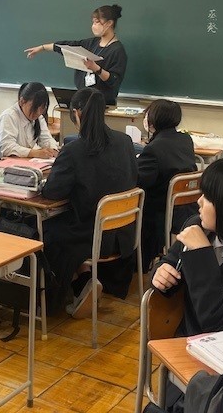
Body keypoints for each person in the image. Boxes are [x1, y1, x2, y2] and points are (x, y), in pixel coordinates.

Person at [42, 88, 137, 315]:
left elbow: (52, 192)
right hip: (124, 234)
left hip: (94, 237)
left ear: (76, 113)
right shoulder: (125, 142)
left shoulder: (74, 150)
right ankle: (84, 279)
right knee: (66, 223)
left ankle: (63, 293)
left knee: (46, 230)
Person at [151, 157, 223, 413]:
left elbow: (218, 324)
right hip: (187, 345)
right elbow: (171, 261)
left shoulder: (200, 239)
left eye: (208, 198)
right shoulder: (196, 226)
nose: (199, 201)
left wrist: (202, 255)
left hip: (222, 363)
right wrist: (161, 273)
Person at [24, 4, 126, 106]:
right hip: (82, 100)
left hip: (102, 104)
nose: (94, 26)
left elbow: (114, 81)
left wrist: (96, 68)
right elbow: (67, 46)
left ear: (109, 23)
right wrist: (42, 48)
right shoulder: (91, 43)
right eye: (93, 22)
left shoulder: (117, 50)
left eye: (97, 22)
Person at [138, 99, 196, 271]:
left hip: (160, 211)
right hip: (186, 207)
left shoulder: (154, 149)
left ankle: (140, 263)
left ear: (153, 119)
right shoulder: (185, 139)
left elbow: (140, 180)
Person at [0, 82, 59, 159]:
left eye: (42, 108)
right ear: (22, 102)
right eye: (34, 108)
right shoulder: (9, 116)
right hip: (1, 161)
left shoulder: (39, 117)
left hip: (23, 160)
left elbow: (46, 139)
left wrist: (53, 149)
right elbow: (7, 148)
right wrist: (35, 153)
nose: (38, 112)